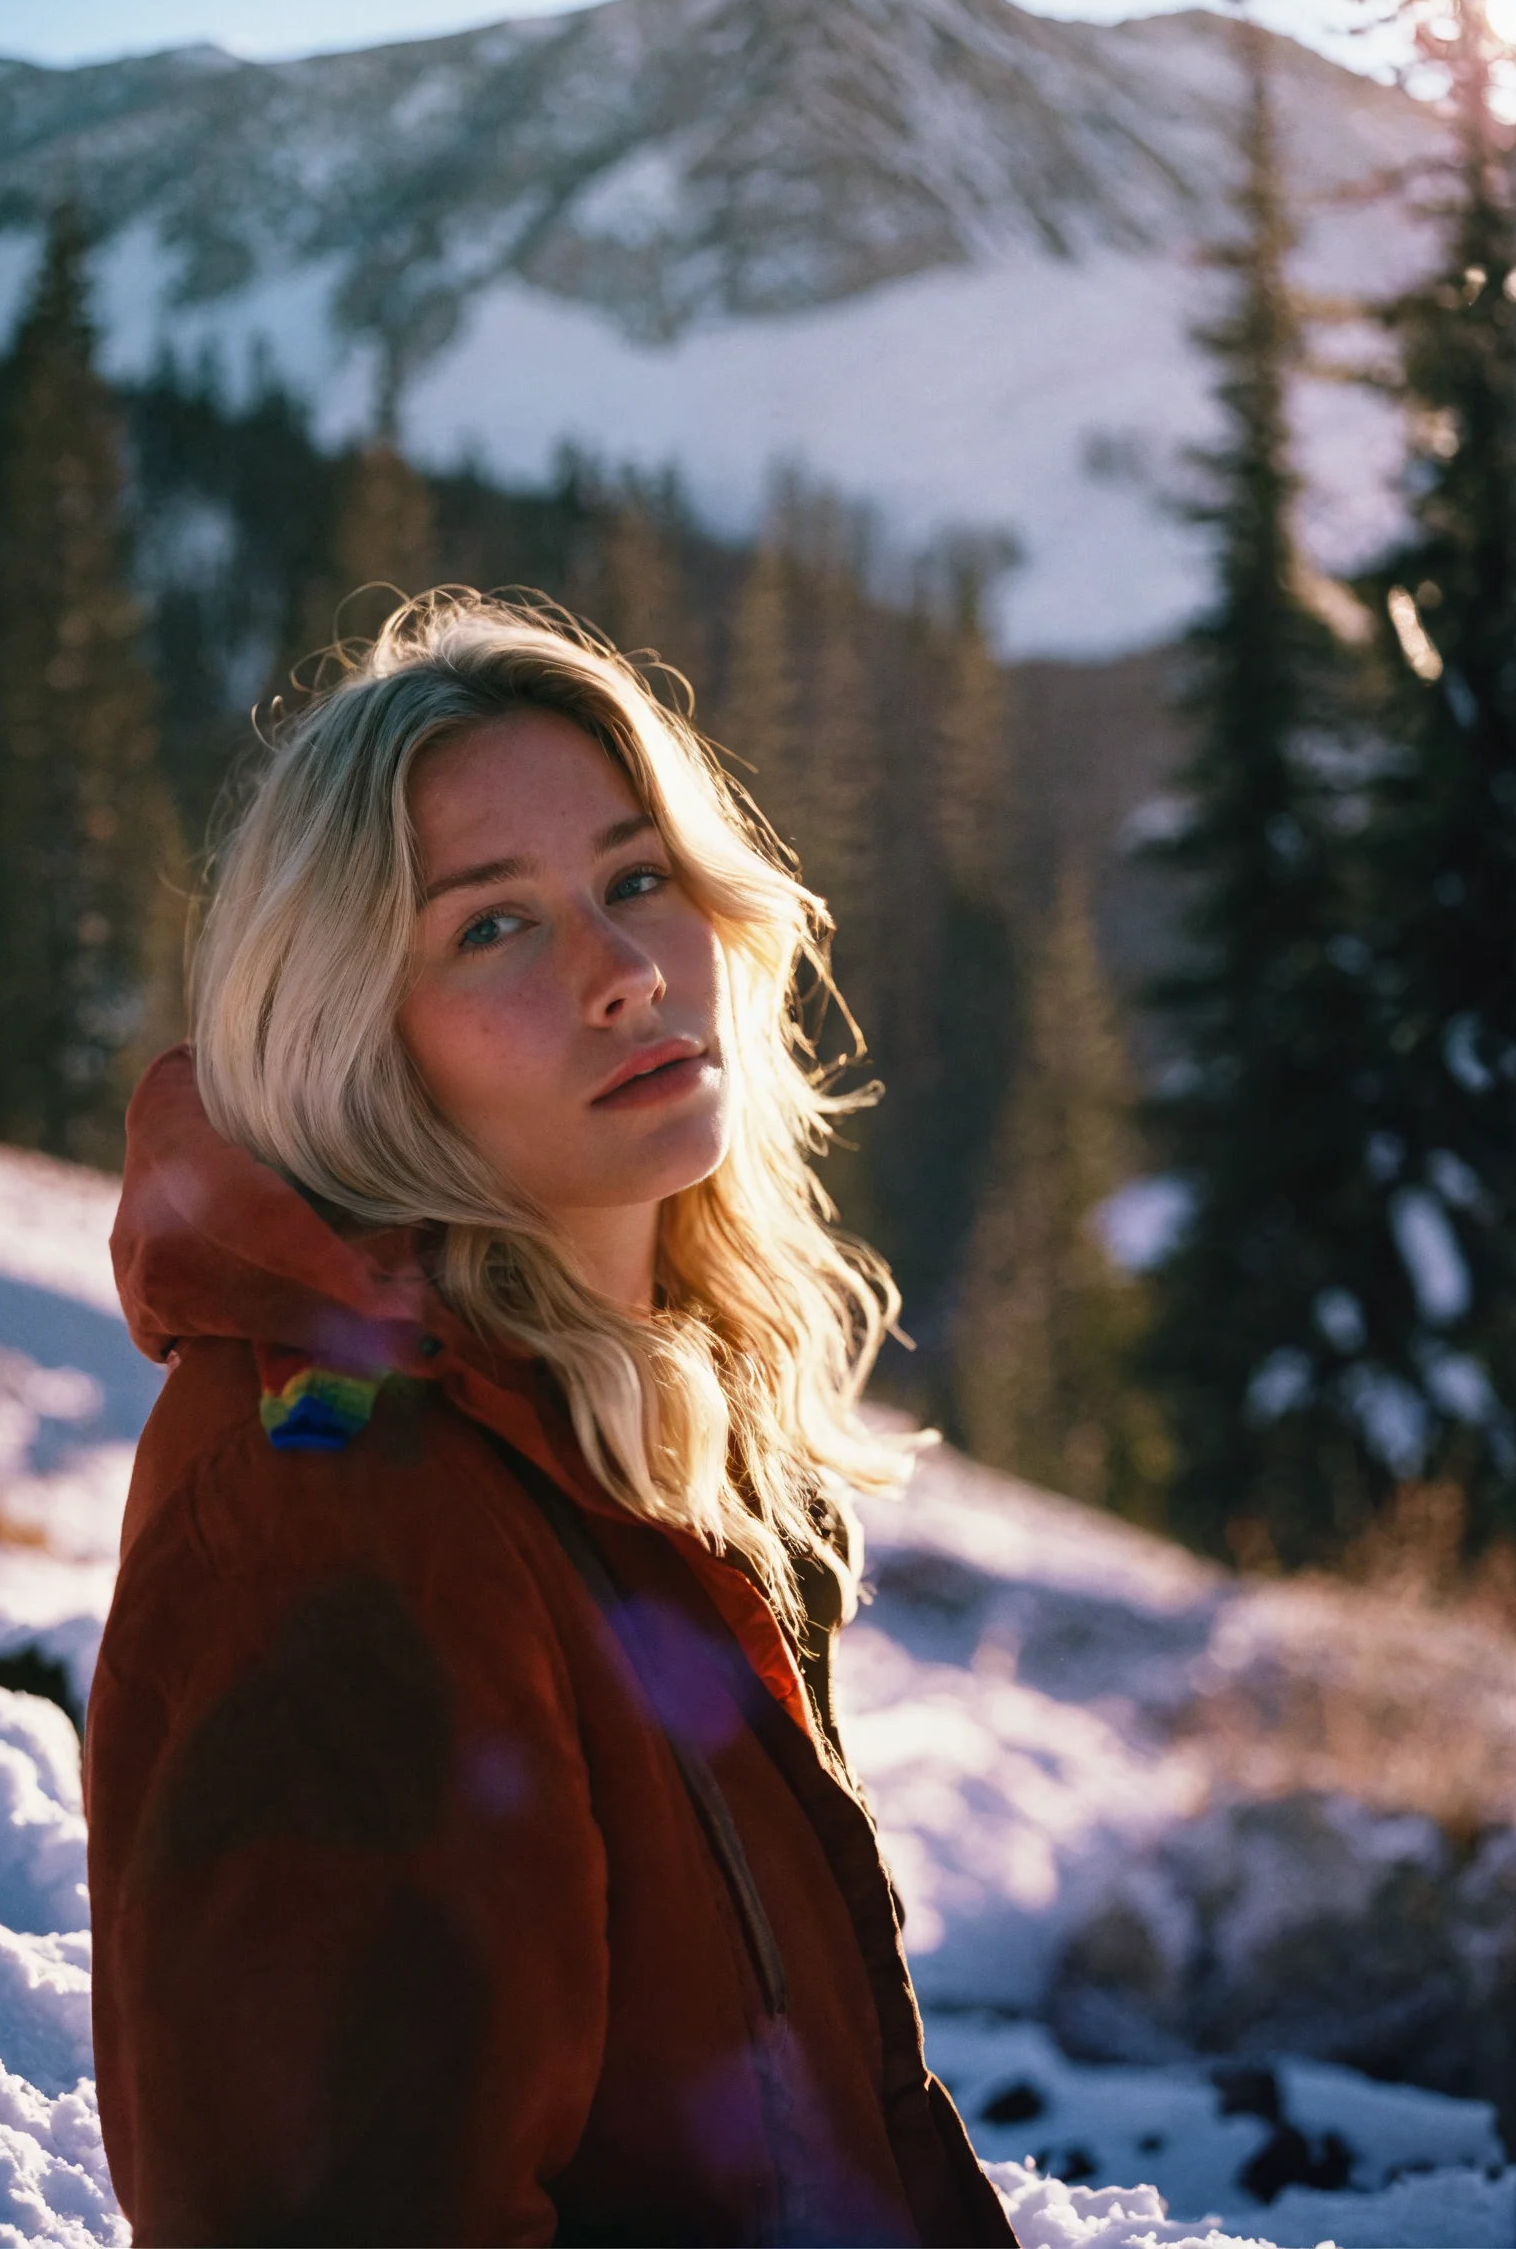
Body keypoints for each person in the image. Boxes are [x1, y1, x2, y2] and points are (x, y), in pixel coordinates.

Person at [87, 591, 1018, 2247]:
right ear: (356, 1038)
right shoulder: (334, 1492)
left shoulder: (640, 1426)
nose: (619, 971)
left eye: (635, 877)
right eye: (492, 928)